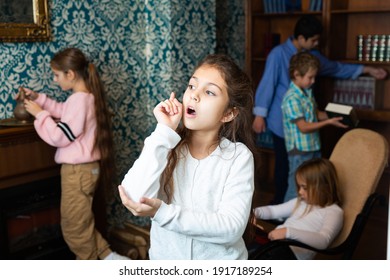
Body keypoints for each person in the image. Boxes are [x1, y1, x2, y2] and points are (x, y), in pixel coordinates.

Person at [118, 54, 256, 260]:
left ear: (228, 113)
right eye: (192, 86)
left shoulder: (238, 157)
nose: (194, 95)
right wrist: (164, 131)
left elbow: (231, 228)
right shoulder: (166, 145)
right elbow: (134, 196)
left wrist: (162, 213)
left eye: (209, 92)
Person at [252, 15, 388, 204]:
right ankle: (280, 209)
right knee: (286, 168)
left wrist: (367, 69)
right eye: (313, 40)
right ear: (301, 38)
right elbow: (268, 83)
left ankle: (297, 210)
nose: (316, 43)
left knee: (304, 172)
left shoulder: (312, 58)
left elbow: (335, 68)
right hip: (279, 119)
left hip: (307, 124)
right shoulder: (278, 54)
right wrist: (260, 115)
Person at [22, 47, 129, 260]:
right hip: (85, 171)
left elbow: (60, 137)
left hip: (77, 173)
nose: (55, 80)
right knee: (83, 223)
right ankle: (111, 259)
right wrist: (39, 99)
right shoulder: (84, 98)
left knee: (73, 228)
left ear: (70, 74)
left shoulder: (79, 100)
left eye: (56, 75)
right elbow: (63, 112)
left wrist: (39, 114)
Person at [282, 51, 347, 202]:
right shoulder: (292, 98)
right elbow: (303, 127)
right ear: (297, 74)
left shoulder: (307, 93)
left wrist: (334, 116)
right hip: (300, 151)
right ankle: (283, 220)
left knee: (313, 188)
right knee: (295, 189)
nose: (313, 81)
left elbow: (316, 114)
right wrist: (328, 123)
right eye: (310, 77)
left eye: (314, 77)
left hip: (313, 146)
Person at [253, 158, 343, 260]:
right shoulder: (301, 202)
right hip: (275, 245)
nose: (300, 192)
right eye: (299, 187)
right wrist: (254, 213)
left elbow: (323, 240)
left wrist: (287, 232)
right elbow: (273, 211)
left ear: (322, 187)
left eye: (304, 188)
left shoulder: (334, 212)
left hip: (291, 255)